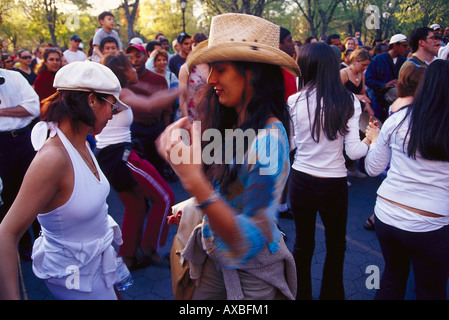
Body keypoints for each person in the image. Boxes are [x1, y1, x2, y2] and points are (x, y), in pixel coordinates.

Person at [158, 13, 300, 300]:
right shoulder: (232, 120)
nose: (210, 80)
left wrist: (192, 179)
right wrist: (193, 205)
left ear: (253, 73)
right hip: (212, 256)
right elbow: (232, 189)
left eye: (220, 69)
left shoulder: (270, 140)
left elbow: (244, 243)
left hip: (252, 277)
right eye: (210, 69)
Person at [0, 61, 128, 300]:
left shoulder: (83, 142)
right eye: (113, 105)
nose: (114, 114)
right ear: (91, 100)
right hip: (75, 279)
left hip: (98, 263)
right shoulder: (53, 158)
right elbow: (6, 232)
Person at [288, 42, 371, 300]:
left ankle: (300, 295)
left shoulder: (294, 100)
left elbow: (290, 144)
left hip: (300, 178)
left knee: (302, 244)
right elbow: (355, 152)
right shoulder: (347, 101)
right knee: (336, 246)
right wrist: (370, 138)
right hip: (333, 183)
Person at [364, 59, 449, 300]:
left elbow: (373, 168)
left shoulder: (398, 119)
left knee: (392, 277)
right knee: (430, 290)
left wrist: (374, 139)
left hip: (387, 217)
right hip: (430, 224)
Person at [97, 52, 175, 270]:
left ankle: (128, 256)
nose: (135, 69)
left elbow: (148, 93)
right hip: (119, 155)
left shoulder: (114, 92)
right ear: (121, 71)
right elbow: (150, 104)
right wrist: (181, 89)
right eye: (130, 66)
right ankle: (149, 249)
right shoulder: (117, 92)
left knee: (136, 205)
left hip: (112, 155)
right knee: (165, 197)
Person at [363, 62, 425, 231]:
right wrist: (375, 139)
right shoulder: (408, 116)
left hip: (392, 210)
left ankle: (374, 217)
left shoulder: (398, 113)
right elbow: (373, 167)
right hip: (422, 216)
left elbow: (373, 168)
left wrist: (375, 139)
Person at [0, 60, 41, 262]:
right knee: (10, 195)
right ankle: (24, 243)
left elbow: (33, 108)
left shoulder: (14, 77)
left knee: (37, 188)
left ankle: (43, 238)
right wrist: (16, 109)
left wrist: (1, 112)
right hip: (1, 146)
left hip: (23, 140)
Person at [125, 43, 180, 179]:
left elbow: (167, 109)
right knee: (141, 169)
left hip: (156, 127)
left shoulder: (159, 79)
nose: (135, 60)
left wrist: (165, 131)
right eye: (131, 57)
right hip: (136, 130)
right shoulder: (125, 82)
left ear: (146, 57)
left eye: (138, 56)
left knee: (158, 167)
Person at [365, 34, 408, 122]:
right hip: (378, 102)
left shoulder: (404, 62)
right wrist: (384, 85)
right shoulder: (377, 59)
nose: (406, 49)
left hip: (397, 103)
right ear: (396, 45)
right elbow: (368, 79)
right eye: (404, 46)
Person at [177, 33, 208, 122]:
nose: (198, 47)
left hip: (212, 116)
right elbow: (182, 97)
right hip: (192, 116)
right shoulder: (186, 68)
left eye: (201, 44)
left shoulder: (214, 66)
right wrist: (186, 120)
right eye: (195, 44)